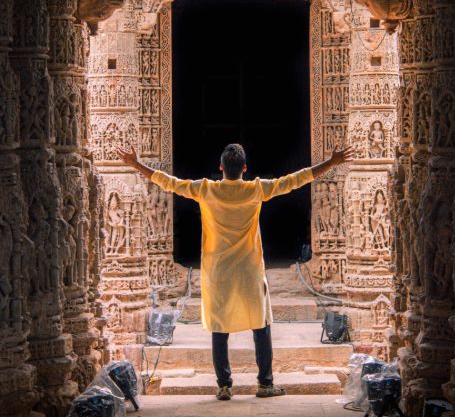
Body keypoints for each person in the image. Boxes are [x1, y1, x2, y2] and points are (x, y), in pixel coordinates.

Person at [117, 142, 354, 400]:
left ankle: (224, 386)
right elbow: (294, 181)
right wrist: (331, 162)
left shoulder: (206, 190)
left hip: (218, 272)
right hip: (249, 271)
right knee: (261, 325)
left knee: (220, 328)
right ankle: (265, 383)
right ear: (244, 168)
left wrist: (136, 164)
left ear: (221, 167)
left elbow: (169, 183)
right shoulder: (255, 190)